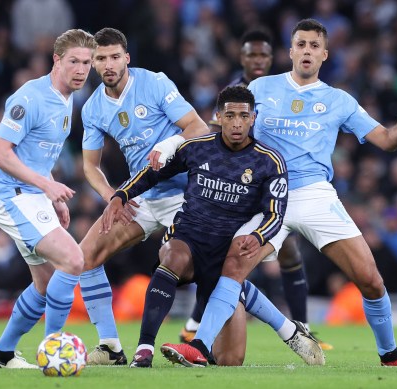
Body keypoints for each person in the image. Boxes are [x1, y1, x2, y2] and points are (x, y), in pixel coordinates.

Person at [160, 18, 397, 368]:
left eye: (314, 46)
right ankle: (200, 346)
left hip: (316, 195)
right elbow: (223, 130)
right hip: (267, 196)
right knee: (233, 265)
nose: (307, 51)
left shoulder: (339, 100)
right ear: (290, 51)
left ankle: (389, 352)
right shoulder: (261, 88)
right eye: (301, 44)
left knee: (370, 279)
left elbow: (388, 141)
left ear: (324, 54)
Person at [103, 86, 324, 367]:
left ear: (253, 118)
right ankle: (144, 348)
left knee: (230, 360)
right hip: (188, 238)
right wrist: (121, 195)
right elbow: (152, 174)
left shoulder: (269, 161)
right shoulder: (197, 148)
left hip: (226, 254)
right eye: (230, 115)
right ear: (218, 116)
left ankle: (289, 331)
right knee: (173, 257)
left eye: (243, 116)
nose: (236, 123)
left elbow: (275, 213)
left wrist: (258, 236)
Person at [181, 27, 332, 351]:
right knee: (225, 257)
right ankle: (199, 323)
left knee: (279, 252)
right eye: (252, 54)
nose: (259, 60)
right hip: (233, 181)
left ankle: (300, 327)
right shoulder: (233, 92)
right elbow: (211, 131)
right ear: (242, 57)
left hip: (266, 177)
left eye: (264, 54)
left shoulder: (280, 88)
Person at [78, 27, 210, 366]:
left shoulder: (154, 83)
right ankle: (110, 346)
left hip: (186, 194)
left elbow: (198, 128)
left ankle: (207, 336)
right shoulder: (93, 109)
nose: (108, 64)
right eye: (100, 58)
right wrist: (112, 195)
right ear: (93, 63)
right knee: (85, 256)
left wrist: (166, 146)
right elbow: (90, 167)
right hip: (142, 197)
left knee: (199, 268)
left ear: (127, 58)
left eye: (113, 57)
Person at [0, 29, 96, 369]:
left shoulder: (67, 97)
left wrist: (53, 196)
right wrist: (46, 188)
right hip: (10, 195)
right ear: (56, 60)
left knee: (46, 284)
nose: (81, 69)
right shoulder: (29, 98)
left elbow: (38, 159)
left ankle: (1, 354)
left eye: (87, 63)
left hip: (32, 194)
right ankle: (55, 350)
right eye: (74, 61)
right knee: (73, 260)